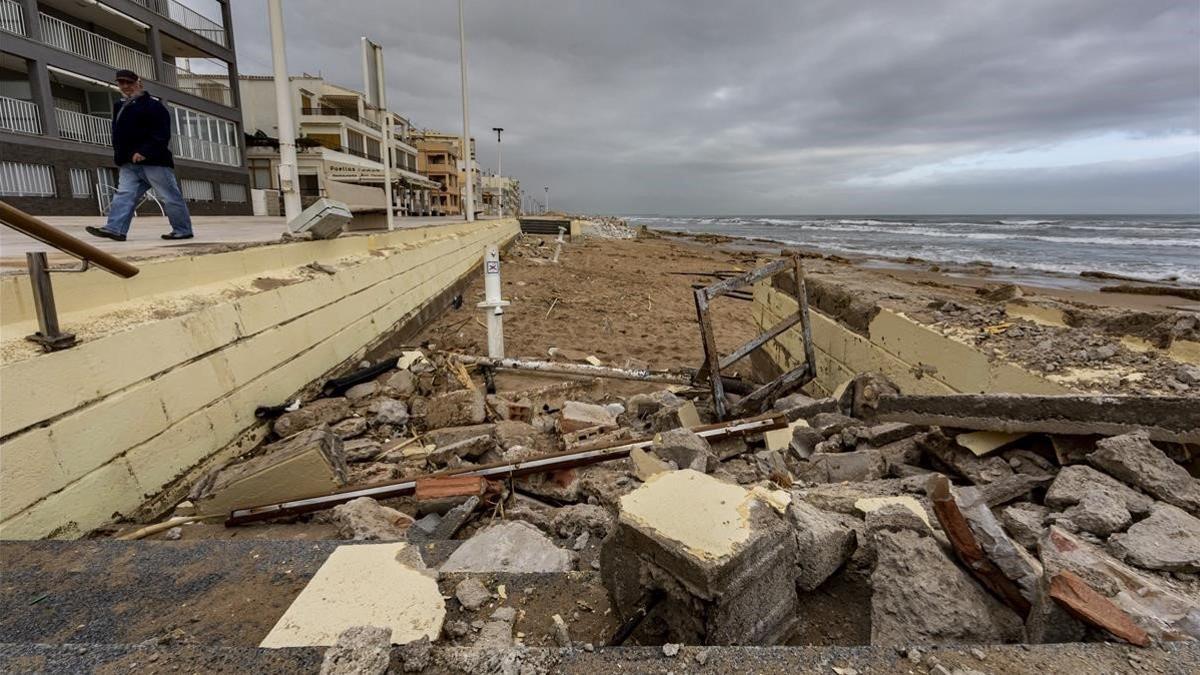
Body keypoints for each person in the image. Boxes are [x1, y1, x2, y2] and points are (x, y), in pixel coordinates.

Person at [85, 69, 194, 242]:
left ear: (138, 83)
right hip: (128, 163)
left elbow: (162, 133)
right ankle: (115, 229)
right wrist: (120, 157)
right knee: (124, 194)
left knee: (170, 196)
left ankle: (182, 230)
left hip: (155, 162)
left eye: (129, 82)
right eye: (122, 83)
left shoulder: (153, 106)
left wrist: (144, 152)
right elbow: (117, 133)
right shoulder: (119, 106)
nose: (126, 86)